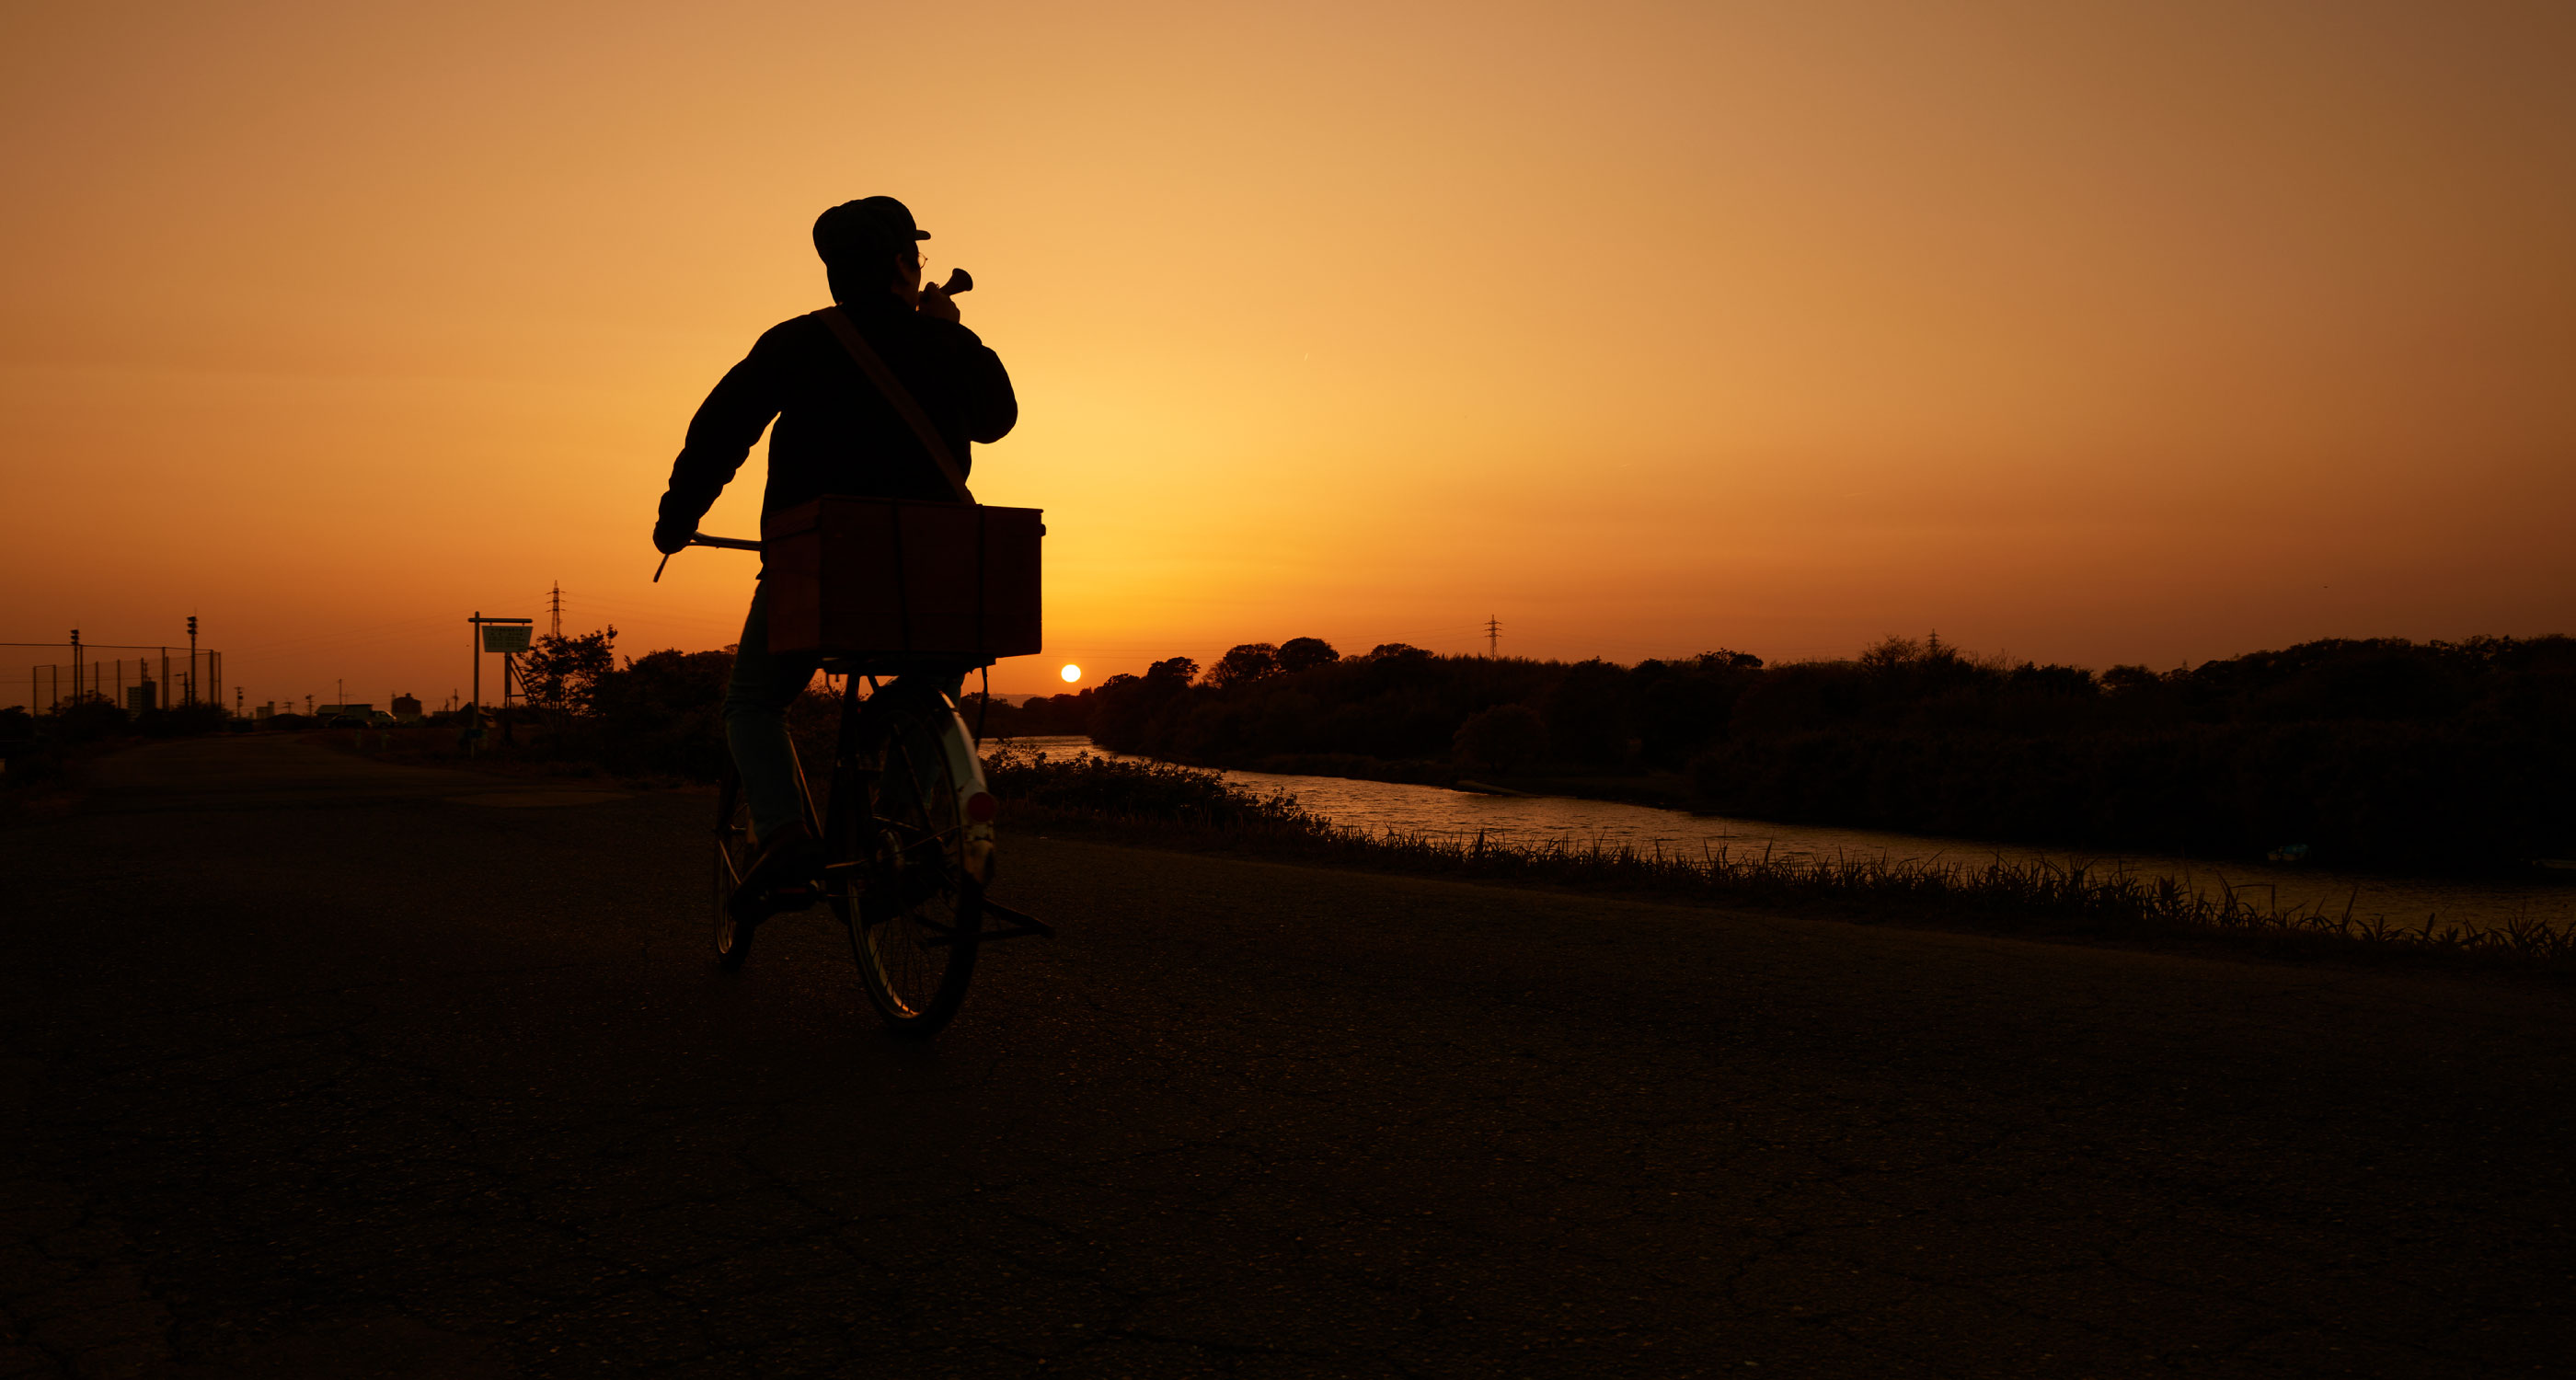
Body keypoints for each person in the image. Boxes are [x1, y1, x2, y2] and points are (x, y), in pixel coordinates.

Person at [652, 196, 1017, 903]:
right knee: (931, 688)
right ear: (901, 267)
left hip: (819, 563)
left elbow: (718, 434)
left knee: (754, 701)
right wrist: (952, 335)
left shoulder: (798, 341)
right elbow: (998, 419)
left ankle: (785, 835)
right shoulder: (940, 341)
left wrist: (677, 519)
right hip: (936, 570)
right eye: (916, 257)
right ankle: (904, 838)